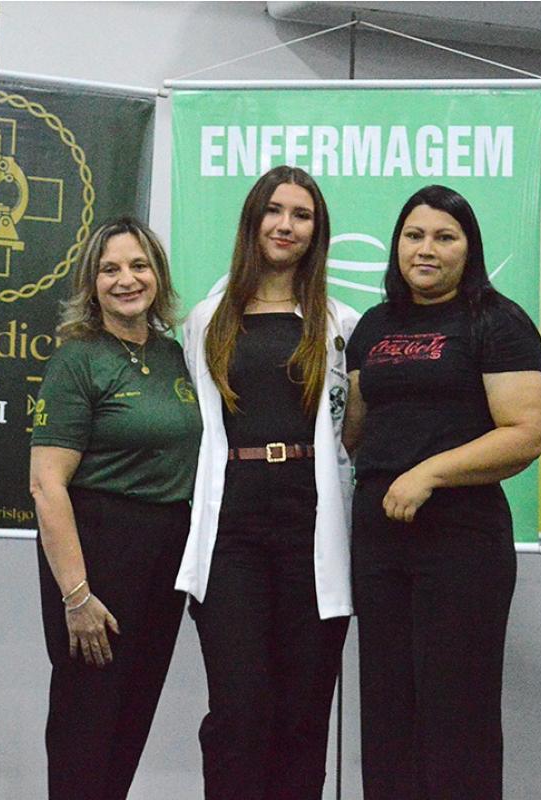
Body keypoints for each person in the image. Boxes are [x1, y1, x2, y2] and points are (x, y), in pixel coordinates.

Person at [343, 185, 541, 800]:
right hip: (379, 540)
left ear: (468, 248)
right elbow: (355, 429)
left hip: (462, 541)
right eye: (414, 235)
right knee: (386, 712)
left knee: (457, 716)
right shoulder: (374, 325)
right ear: (397, 245)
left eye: (444, 237)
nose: (425, 249)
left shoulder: (497, 321)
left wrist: (428, 473)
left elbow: (525, 435)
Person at [175, 165, 359, 800]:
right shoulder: (208, 319)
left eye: (301, 215)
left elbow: (353, 431)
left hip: (313, 535)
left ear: (317, 232)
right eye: (275, 211)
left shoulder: (340, 323)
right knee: (239, 713)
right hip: (231, 538)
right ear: (253, 221)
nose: (286, 225)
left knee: (303, 718)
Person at [29, 217, 202, 800]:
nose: (126, 280)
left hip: (166, 549)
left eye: (138, 266)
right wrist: (77, 596)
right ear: (92, 283)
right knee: (86, 719)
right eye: (110, 269)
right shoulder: (78, 360)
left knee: (132, 714)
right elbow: (46, 485)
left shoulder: (175, 355)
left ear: (158, 275)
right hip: (99, 550)